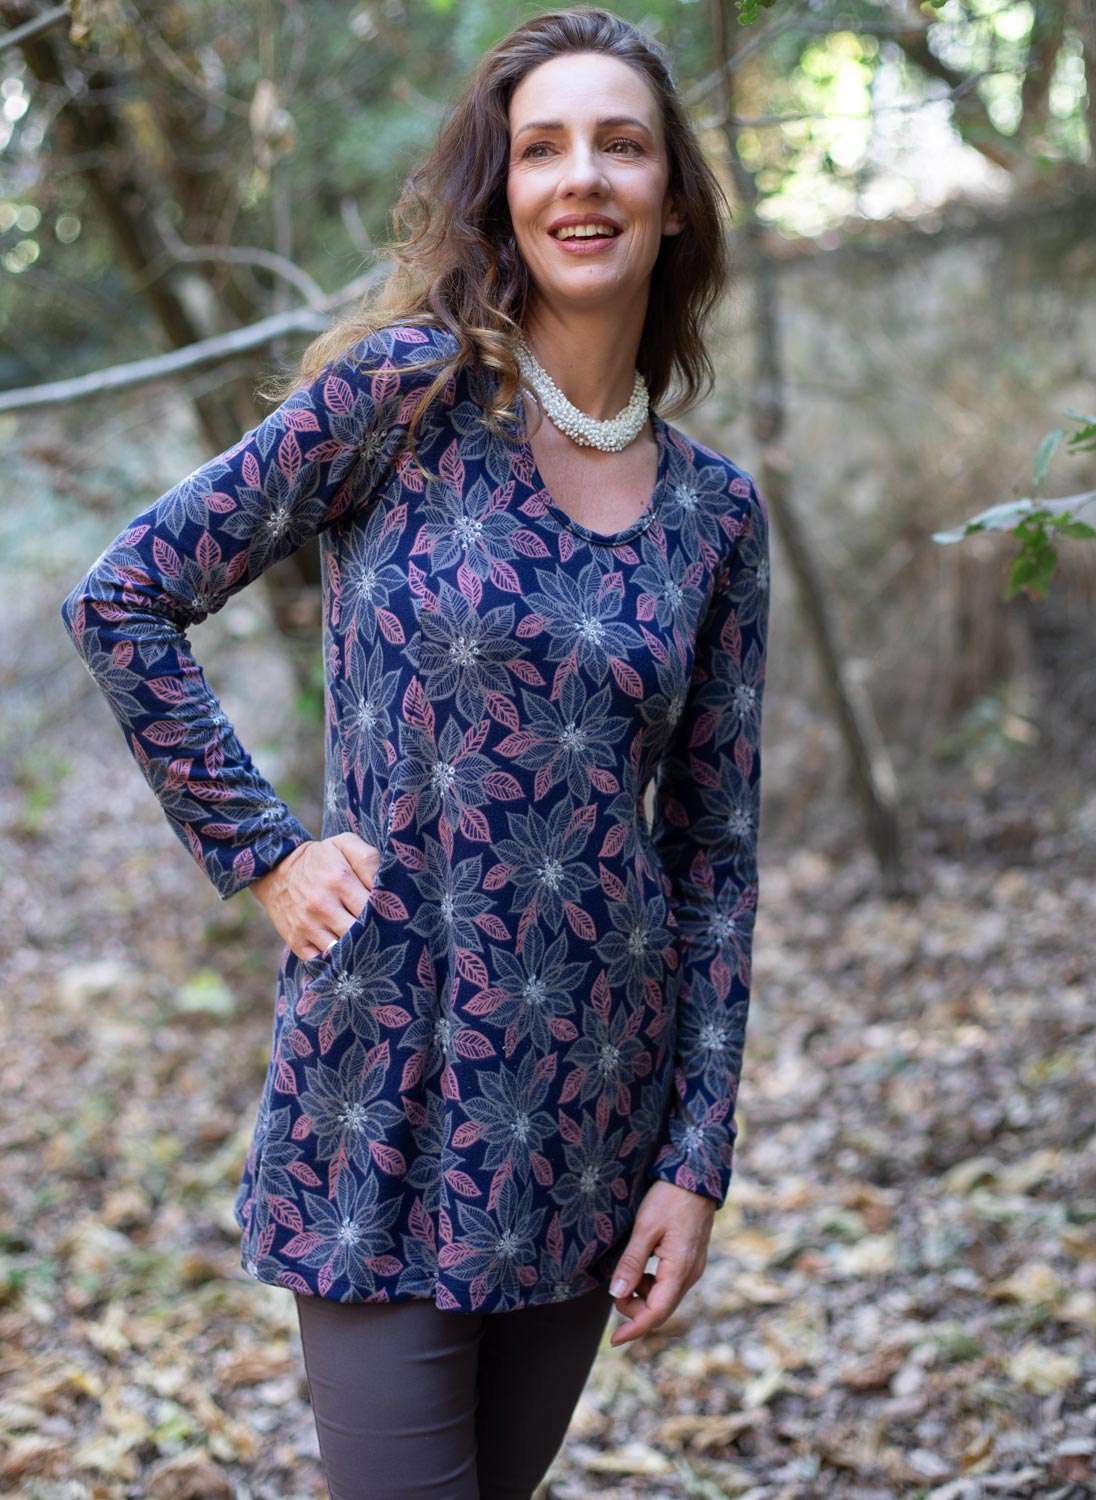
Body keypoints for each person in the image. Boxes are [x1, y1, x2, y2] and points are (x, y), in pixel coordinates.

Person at [59, 7, 771, 1497]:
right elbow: (124, 597)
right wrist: (263, 851)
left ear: (674, 199)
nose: (583, 178)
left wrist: (693, 1161)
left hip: (589, 1114)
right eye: (543, 148)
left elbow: (713, 857)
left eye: (622, 145)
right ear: (502, 193)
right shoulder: (403, 396)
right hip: (384, 1084)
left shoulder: (716, 517)